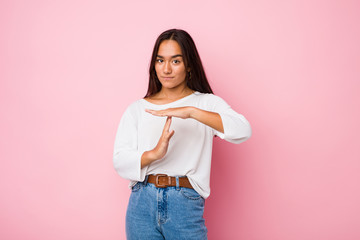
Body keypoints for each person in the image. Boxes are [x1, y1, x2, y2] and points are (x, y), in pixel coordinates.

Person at [113, 29, 252, 240]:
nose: (166, 69)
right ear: (154, 65)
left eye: (175, 61)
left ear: (189, 65)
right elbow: (120, 160)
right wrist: (154, 154)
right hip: (142, 202)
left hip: (184, 203)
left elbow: (242, 130)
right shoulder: (137, 109)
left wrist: (191, 111)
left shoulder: (205, 103)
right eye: (160, 60)